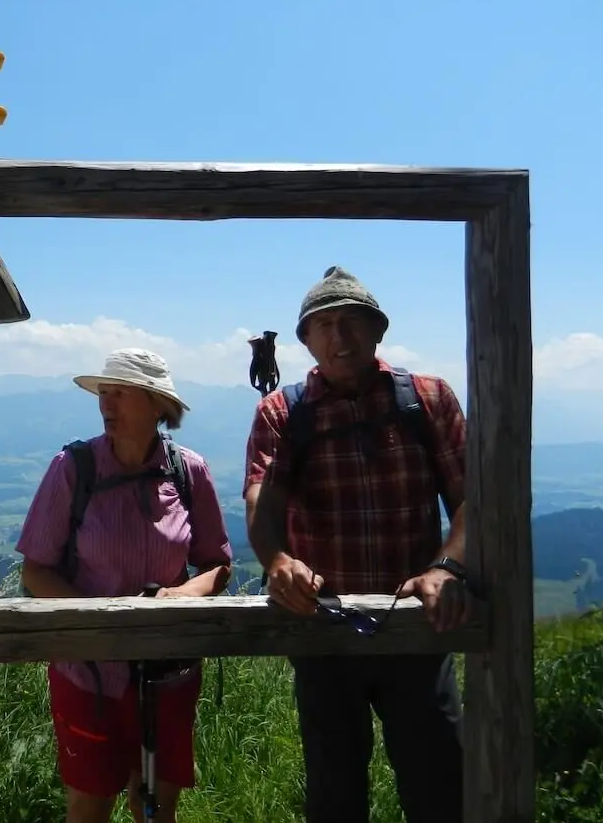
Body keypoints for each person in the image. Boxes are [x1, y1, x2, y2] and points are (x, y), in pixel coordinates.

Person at [243, 266, 473, 823]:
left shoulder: (427, 399)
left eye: (351, 323)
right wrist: (277, 561)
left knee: (440, 785)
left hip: (416, 628)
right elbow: (261, 501)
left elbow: (472, 497)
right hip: (325, 631)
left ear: (377, 331)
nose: (338, 337)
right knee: (335, 793)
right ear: (306, 342)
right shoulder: (283, 413)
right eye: (322, 326)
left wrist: (447, 566)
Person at [16, 347, 233, 823]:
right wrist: (103, 619)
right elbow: (35, 570)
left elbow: (217, 564)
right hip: (88, 674)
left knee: (157, 808)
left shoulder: (188, 471)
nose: (106, 404)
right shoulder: (74, 468)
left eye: (121, 394)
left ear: (157, 404)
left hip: (169, 673)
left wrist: (177, 598)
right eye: (103, 393)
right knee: (88, 806)